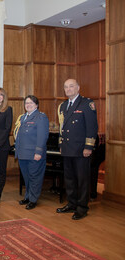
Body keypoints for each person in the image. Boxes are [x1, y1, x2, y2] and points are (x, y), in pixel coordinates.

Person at [56, 79, 98, 220]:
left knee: (82, 180)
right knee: (70, 179)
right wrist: (61, 145)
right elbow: (62, 129)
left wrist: (88, 147)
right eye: (66, 87)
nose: (68, 89)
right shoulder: (63, 106)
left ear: (78, 88)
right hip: (67, 149)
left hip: (81, 149)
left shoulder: (87, 104)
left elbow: (92, 127)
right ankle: (72, 203)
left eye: (71, 86)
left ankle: (82, 207)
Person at [14, 95, 49, 210]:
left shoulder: (40, 117)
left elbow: (42, 136)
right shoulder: (23, 117)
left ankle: (33, 200)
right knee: (27, 177)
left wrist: (38, 152)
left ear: (36, 105)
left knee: (35, 178)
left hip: (34, 154)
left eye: (31, 103)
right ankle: (28, 197)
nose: (28, 105)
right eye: (26, 103)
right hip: (23, 154)